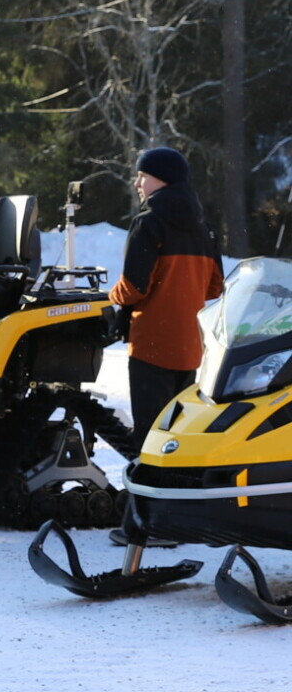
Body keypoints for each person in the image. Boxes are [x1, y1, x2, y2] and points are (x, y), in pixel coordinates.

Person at [108, 146, 224, 547]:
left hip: (152, 344)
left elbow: (133, 288)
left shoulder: (149, 222)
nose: (137, 183)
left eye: (143, 176)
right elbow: (215, 287)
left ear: (161, 179)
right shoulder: (203, 226)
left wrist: (113, 297)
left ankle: (141, 529)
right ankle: (177, 524)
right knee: (176, 438)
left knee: (148, 439)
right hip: (190, 346)